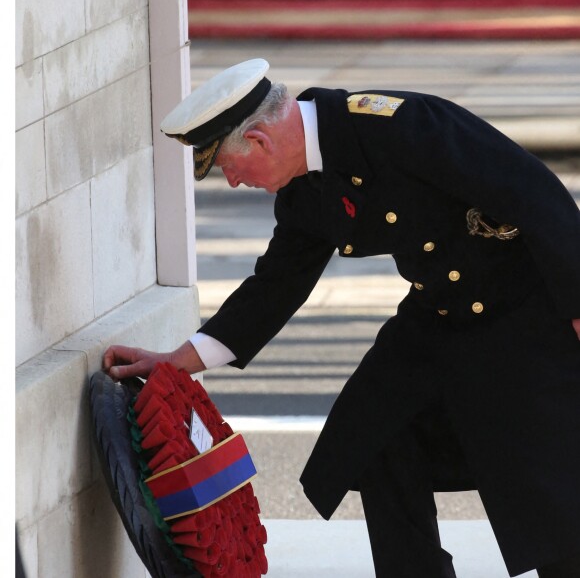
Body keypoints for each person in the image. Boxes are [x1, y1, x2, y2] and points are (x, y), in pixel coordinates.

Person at [103, 59, 580, 577]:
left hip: (524, 315)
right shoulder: (306, 190)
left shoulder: (397, 126)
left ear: (261, 141)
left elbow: (534, 193)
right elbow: (276, 285)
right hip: (437, 319)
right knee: (373, 434)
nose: (235, 182)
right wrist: (179, 361)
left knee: (543, 484)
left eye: (229, 167)